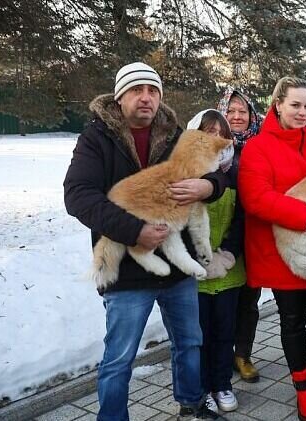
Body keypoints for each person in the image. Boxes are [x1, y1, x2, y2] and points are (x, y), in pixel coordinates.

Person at [63, 62, 225, 420]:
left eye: (152, 91)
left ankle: (191, 403)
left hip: (175, 268)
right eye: (137, 90)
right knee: (120, 357)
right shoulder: (97, 138)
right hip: (127, 273)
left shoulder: (176, 133)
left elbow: (216, 175)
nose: (146, 98)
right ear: (120, 97)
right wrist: (135, 231)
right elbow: (77, 195)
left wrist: (209, 186)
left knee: (189, 343)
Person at [238, 76, 306, 421]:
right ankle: (303, 389)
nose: (303, 112)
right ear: (278, 106)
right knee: (291, 323)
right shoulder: (258, 147)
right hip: (284, 253)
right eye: (295, 105)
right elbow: (256, 198)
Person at [186, 109, 244, 413]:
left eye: (221, 133)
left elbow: (242, 218)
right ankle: (201, 388)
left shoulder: (235, 172)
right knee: (199, 335)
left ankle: (223, 383)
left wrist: (228, 252)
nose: (216, 138)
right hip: (194, 274)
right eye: (208, 131)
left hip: (228, 269)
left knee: (224, 332)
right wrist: (196, 258)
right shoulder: (183, 172)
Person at [217, 87, 263, 384]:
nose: (236, 116)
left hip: (253, 236)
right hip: (220, 236)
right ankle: (220, 354)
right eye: (230, 111)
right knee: (222, 300)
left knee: (249, 299)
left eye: (242, 111)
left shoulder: (259, 147)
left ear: (251, 116)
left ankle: (242, 354)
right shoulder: (214, 145)